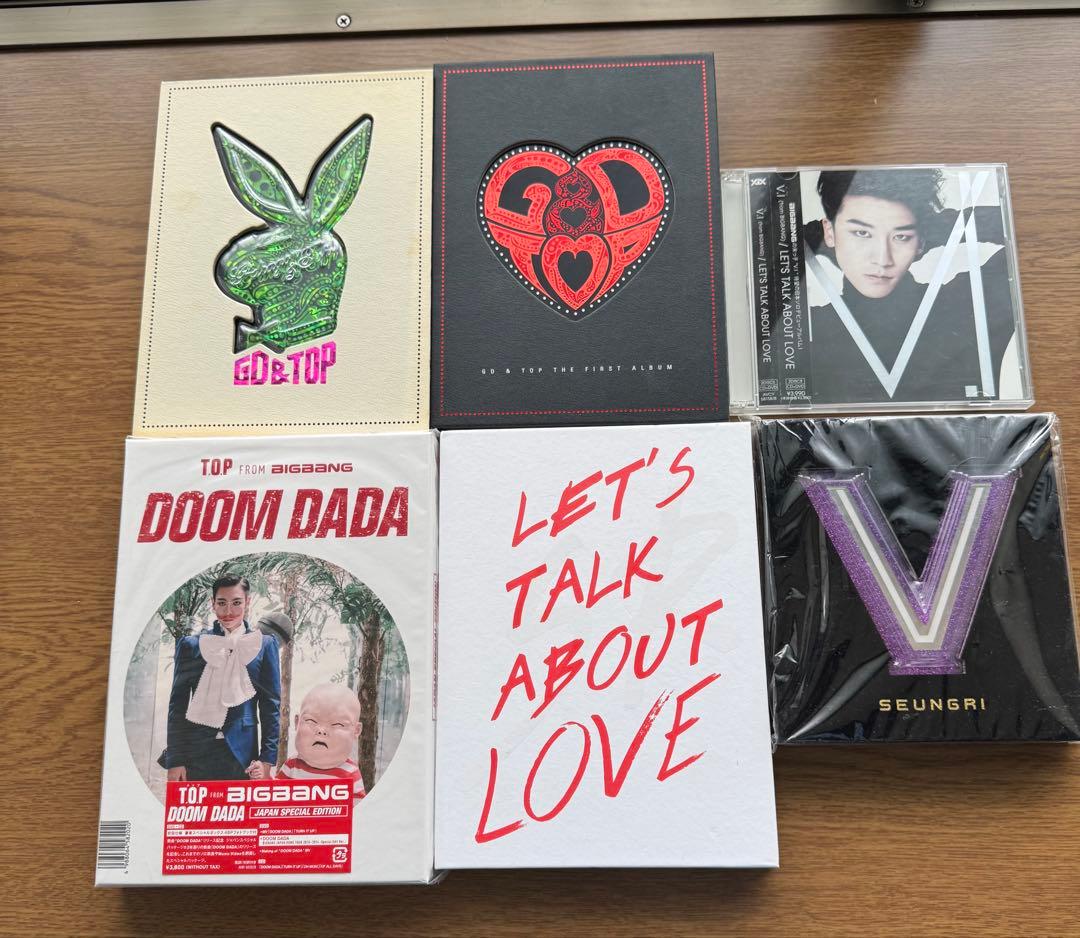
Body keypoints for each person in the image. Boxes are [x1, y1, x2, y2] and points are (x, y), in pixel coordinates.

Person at [805, 168, 1017, 404]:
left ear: (921, 241)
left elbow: (1023, 230)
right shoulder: (803, 330)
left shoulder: (964, 306)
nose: (882, 259)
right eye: (862, 233)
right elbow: (771, 247)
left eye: (901, 237)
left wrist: (933, 228)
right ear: (829, 232)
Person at [163, 574, 281, 782]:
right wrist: (175, 760)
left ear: (247, 602)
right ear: (213, 604)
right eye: (221, 603)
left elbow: (270, 707)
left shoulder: (263, 645)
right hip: (195, 753)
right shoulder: (191, 645)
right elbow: (177, 708)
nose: (228, 612)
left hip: (244, 755)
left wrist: (266, 760)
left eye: (236, 603)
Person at [246, 683, 366, 801]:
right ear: (297, 722)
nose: (321, 731)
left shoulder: (350, 773)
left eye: (337, 724)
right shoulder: (292, 765)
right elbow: (276, 797)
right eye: (311, 721)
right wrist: (264, 778)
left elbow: (359, 809)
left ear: (356, 731)